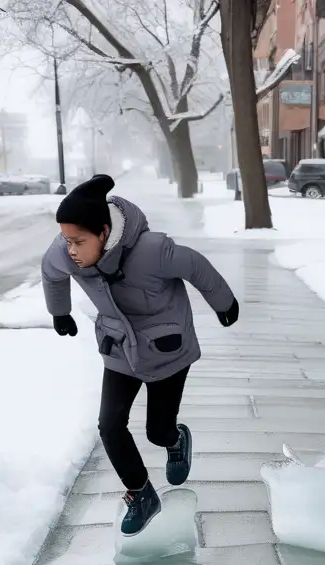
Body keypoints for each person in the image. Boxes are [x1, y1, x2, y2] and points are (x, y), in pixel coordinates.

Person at [42, 174, 239, 535]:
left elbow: (195, 266)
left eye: (78, 241)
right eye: (66, 240)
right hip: (120, 348)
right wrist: (60, 311)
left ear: (104, 232)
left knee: (156, 430)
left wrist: (224, 303)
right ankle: (141, 493)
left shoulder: (151, 250)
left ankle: (174, 440)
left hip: (167, 349)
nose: (70, 249)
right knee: (110, 424)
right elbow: (51, 271)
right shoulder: (66, 253)